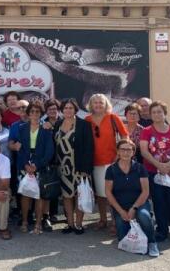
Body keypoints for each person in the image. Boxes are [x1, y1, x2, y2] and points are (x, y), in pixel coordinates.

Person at [139, 100, 170, 244]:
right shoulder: (146, 131)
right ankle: (162, 231)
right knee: (159, 202)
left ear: (165, 113)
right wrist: (159, 165)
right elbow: (144, 150)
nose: (157, 114)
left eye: (159, 111)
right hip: (154, 172)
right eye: (154, 112)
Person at [105, 139, 159, 257]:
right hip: (120, 206)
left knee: (143, 215)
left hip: (139, 204)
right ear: (118, 152)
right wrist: (120, 211)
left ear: (133, 152)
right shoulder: (111, 170)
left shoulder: (140, 168)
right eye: (122, 149)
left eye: (129, 150)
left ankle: (152, 242)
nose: (125, 152)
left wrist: (134, 208)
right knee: (123, 239)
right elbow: (108, 193)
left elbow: (145, 192)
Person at [85, 93, 128, 232]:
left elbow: (125, 135)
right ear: (91, 105)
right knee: (100, 194)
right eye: (95, 103)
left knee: (113, 194)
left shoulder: (113, 118)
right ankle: (102, 219)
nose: (98, 105)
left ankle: (115, 221)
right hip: (95, 162)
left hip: (113, 161)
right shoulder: (87, 120)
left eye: (101, 103)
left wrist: (120, 154)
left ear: (106, 104)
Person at [12, 101, 54, 234]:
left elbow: (49, 151)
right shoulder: (22, 128)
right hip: (25, 164)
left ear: (41, 114)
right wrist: (26, 164)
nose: (34, 114)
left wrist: (38, 165)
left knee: (39, 195)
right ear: (28, 113)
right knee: (25, 195)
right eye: (32, 112)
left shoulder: (46, 129)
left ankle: (38, 223)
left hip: (39, 165)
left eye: (37, 112)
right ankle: (24, 221)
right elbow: (19, 148)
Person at [53, 98, 94, 234]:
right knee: (66, 196)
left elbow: (89, 148)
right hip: (62, 168)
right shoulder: (57, 124)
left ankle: (79, 224)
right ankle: (70, 224)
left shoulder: (83, 125)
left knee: (79, 195)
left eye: (71, 108)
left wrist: (86, 169)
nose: (68, 110)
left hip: (79, 166)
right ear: (62, 110)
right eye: (65, 108)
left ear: (75, 110)